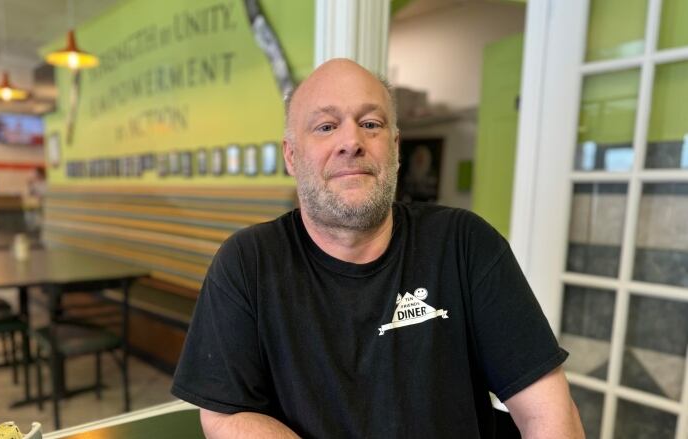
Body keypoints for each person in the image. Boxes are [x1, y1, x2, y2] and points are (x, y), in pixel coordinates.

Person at [171, 59, 584, 438]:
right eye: (326, 126)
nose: (351, 141)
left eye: (370, 124)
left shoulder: (464, 243)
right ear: (291, 155)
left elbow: (547, 408)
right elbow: (225, 414)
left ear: (397, 148)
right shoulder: (247, 262)